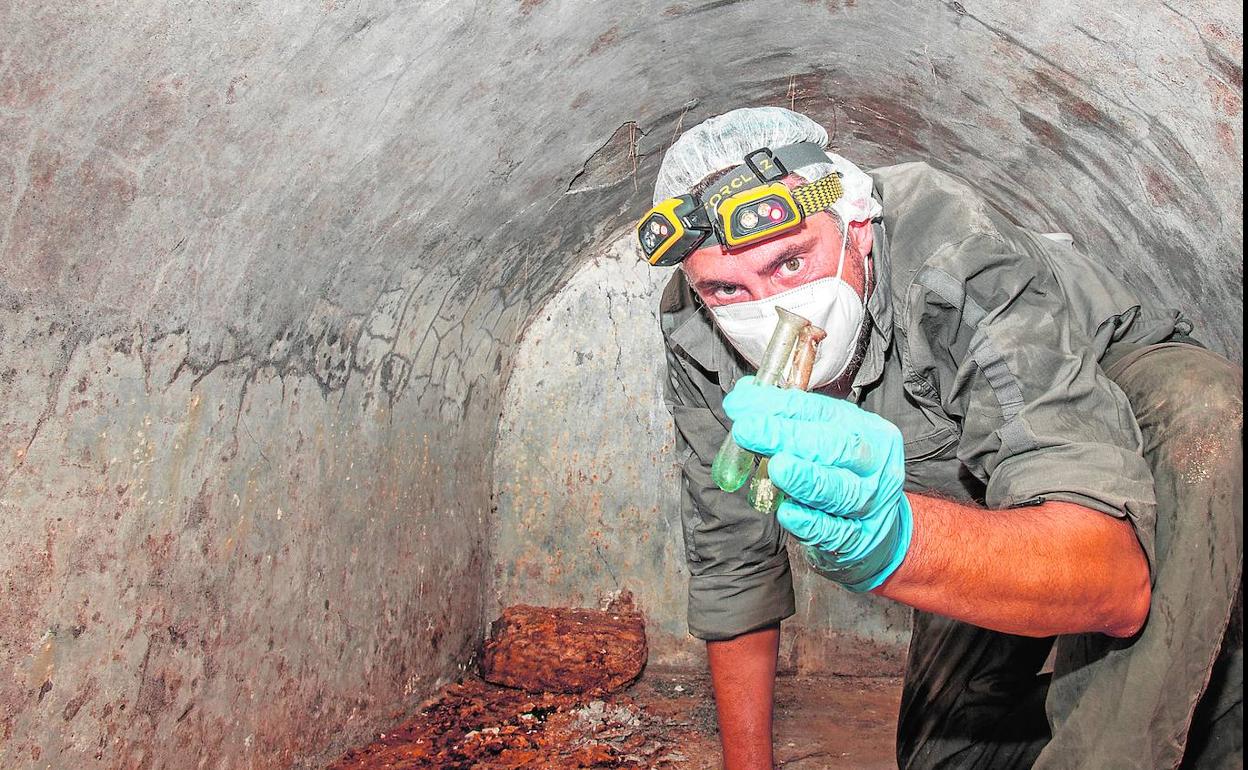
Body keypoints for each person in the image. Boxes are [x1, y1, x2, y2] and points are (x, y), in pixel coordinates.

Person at [642, 106, 1242, 770]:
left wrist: (899, 542)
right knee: (943, 760)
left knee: (1204, 414)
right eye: (727, 288)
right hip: (971, 485)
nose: (769, 312)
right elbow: (734, 560)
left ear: (858, 228)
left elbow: (1115, 585)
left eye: (791, 263)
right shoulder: (697, 331)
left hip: (1104, 431)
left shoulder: (957, 255)